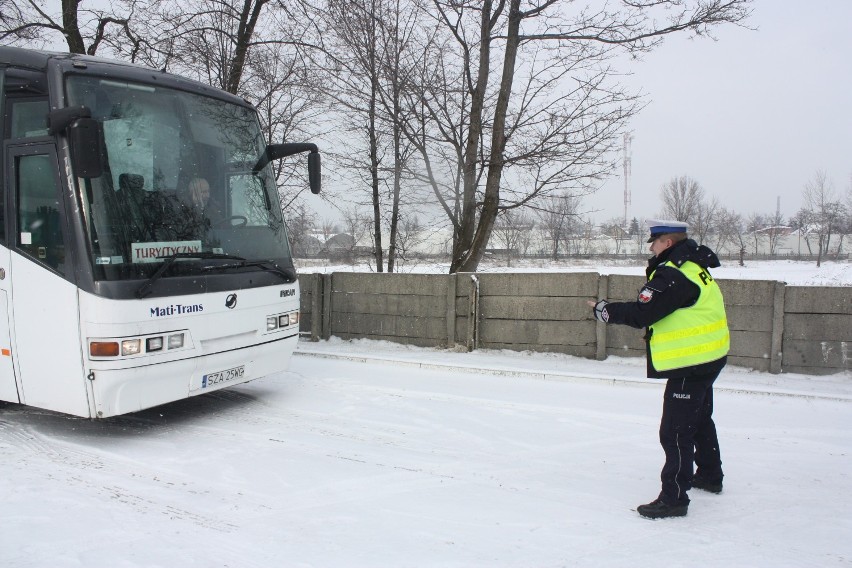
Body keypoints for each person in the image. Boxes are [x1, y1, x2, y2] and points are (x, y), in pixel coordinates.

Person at [587, 219, 729, 520]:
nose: (650, 247)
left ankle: (674, 498)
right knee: (700, 418)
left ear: (667, 242)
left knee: (675, 432)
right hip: (710, 356)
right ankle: (709, 475)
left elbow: (643, 313)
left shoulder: (673, 275)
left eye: (654, 241)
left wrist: (605, 310)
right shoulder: (694, 264)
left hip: (690, 363)